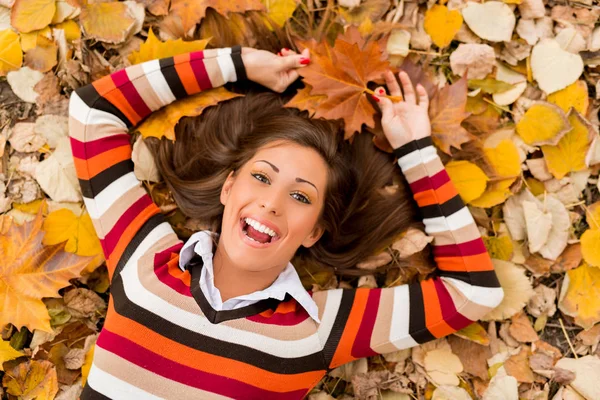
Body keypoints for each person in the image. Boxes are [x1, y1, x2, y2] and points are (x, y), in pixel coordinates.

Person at [68, 43, 504, 399]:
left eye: (300, 196)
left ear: (313, 230)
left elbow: (472, 293)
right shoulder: (146, 263)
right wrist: (238, 63)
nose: (272, 203)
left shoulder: (317, 329)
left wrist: (415, 149)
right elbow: (92, 113)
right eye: (261, 178)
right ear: (228, 189)